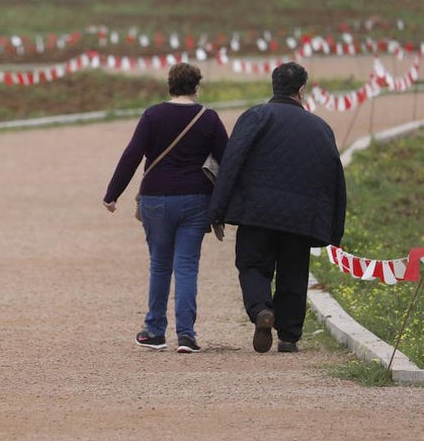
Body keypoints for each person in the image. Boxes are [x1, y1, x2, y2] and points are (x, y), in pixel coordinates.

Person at [208, 62, 346, 354]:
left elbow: (231, 163)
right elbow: (335, 177)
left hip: (255, 212)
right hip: (301, 218)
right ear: (301, 91)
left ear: (274, 86)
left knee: (253, 265)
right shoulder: (321, 128)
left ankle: (260, 311)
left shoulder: (256, 117)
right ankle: (289, 336)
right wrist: (334, 229)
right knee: (293, 272)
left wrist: (217, 210)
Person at [103, 62, 228, 353]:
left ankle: (155, 331)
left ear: (169, 85)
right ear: (197, 86)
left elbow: (132, 154)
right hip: (197, 199)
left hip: (155, 198)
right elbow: (227, 158)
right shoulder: (208, 118)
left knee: (160, 264)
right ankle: (186, 335)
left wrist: (113, 193)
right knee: (186, 267)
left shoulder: (153, 115)